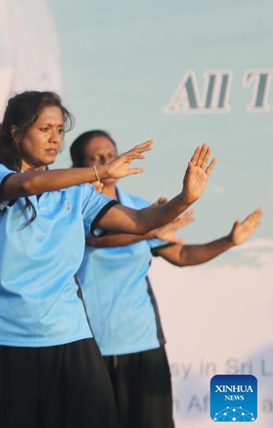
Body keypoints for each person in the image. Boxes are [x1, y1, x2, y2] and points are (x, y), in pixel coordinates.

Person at [0, 91, 216, 428]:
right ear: (17, 133)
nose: (54, 138)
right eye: (44, 128)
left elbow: (140, 222)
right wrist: (99, 171)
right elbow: (32, 182)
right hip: (1, 336)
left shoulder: (77, 192)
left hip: (68, 335)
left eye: (60, 130)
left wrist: (185, 198)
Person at [70, 129, 263, 428]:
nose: (106, 161)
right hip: (89, 345)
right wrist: (149, 229)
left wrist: (229, 241)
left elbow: (183, 256)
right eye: (95, 158)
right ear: (79, 165)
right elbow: (97, 241)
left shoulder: (141, 209)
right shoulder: (73, 206)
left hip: (141, 341)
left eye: (109, 154)